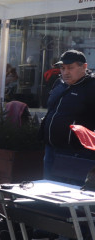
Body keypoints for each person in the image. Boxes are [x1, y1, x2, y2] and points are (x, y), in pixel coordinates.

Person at [41, 49, 95, 185]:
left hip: (76, 153)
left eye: (70, 68)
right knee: (47, 190)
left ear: (84, 67)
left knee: (69, 193)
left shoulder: (91, 87)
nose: (65, 72)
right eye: (63, 68)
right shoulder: (59, 83)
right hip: (51, 148)